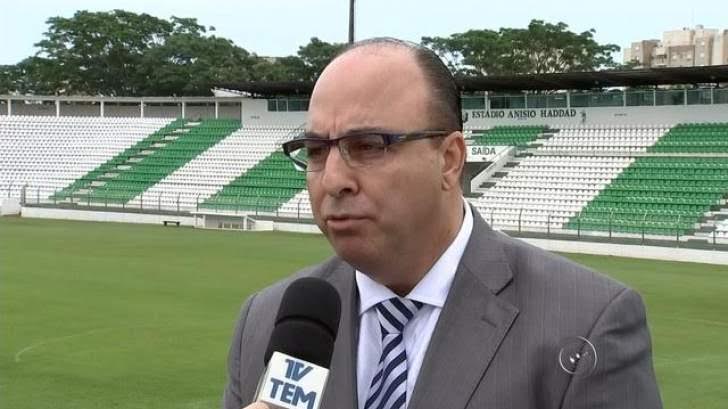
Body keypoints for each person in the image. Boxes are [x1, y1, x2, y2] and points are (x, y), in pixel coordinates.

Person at [223, 37, 662, 409]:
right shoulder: (265, 321)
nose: (333, 180)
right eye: (317, 150)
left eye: (369, 145)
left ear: (449, 160)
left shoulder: (588, 322)